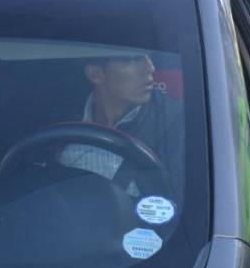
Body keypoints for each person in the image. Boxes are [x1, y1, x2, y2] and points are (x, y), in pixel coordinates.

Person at [55, 54, 185, 199]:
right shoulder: (58, 117)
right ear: (95, 74)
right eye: (133, 59)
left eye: (148, 57)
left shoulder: (177, 125)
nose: (150, 68)